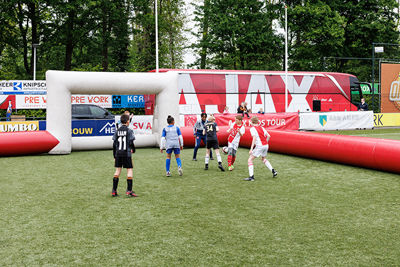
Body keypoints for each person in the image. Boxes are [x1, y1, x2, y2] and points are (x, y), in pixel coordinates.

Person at [244, 116, 277, 181]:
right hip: (266, 145)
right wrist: (265, 142)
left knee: (250, 160)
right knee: (263, 159)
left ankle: (251, 177)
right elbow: (268, 136)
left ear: (252, 122)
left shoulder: (252, 128)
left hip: (260, 146)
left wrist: (251, 149)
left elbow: (254, 138)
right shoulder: (262, 127)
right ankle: (273, 171)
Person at [112, 114, 137, 197]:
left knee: (117, 171)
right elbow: (131, 142)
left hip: (118, 153)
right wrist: (134, 149)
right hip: (127, 153)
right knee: (129, 170)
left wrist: (114, 156)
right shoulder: (129, 131)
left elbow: (114, 144)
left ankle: (114, 190)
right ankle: (129, 190)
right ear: (128, 121)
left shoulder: (117, 130)